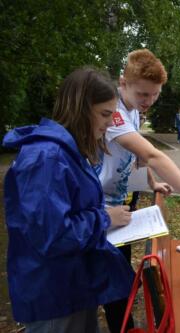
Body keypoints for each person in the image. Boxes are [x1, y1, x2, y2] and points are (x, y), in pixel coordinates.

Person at [95, 48, 180, 333]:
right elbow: (153, 154)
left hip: (120, 204)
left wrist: (152, 183)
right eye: (143, 95)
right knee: (115, 283)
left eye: (155, 94)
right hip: (100, 208)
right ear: (123, 83)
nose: (149, 102)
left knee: (119, 276)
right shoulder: (115, 115)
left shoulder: (131, 110)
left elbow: (137, 157)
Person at [2, 68, 134, 333]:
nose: (110, 124)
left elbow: (66, 209)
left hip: (72, 286)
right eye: (105, 114)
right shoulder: (46, 158)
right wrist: (105, 217)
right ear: (80, 109)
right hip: (54, 294)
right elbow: (53, 235)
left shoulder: (65, 152)